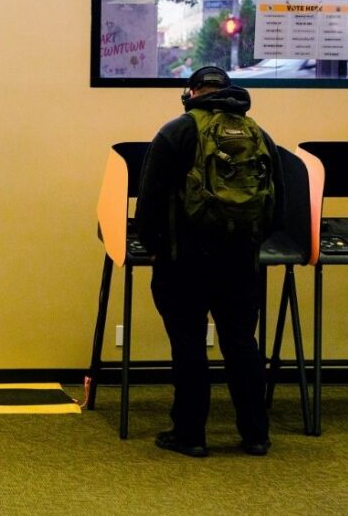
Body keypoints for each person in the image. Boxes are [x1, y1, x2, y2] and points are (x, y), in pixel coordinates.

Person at [134, 66, 283, 458]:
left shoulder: (177, 131)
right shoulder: (258, 135)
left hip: (184, 260)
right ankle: (255, 434)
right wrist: (249, 243)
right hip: (240, 262)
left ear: (192, 92)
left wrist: (153, 247)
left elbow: (148, 201)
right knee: (241, 344)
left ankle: (190, 434)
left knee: (188, 347)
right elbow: (277, 203)